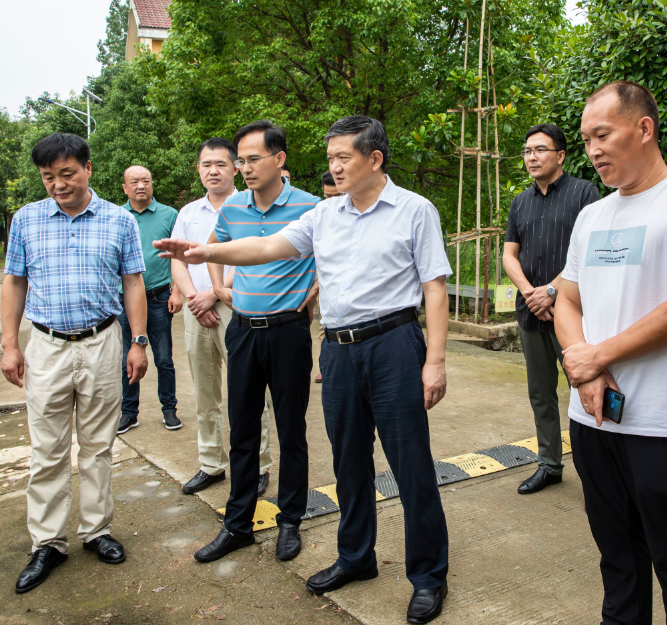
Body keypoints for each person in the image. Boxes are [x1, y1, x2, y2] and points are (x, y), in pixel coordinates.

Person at [156, 115, 452, 625]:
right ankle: (356, 557)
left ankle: (427, 575)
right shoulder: (325, 215)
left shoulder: (413, 210)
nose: (333, 166)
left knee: (411, 465)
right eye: (331, 156)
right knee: (348, 462)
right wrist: (206, 251)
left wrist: (435, 361)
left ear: (374, 159)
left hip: (394, 346)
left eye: (343, 157)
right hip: (338, 349)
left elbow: (434, 287)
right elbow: (267, 247)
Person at [556, 81, 667, 624]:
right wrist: (584, 367)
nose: (593, 149)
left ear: (644, 128)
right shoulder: (592, 215)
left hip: (659, 422)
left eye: (602, 134)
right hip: (592, 417)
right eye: (585, 140)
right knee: (618, 559)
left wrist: (594, 357)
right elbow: (567, 298)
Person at [0, 133, 149, 594]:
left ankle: (96, 531)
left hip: (102, 342)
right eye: (49, 177)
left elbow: (133, 284)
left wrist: (138, 341)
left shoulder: (119, 220)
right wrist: (11, 343)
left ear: (87, 168)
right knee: (47, 448)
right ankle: (47, 542)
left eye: (67, 174)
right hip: (45, 346)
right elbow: (13, 283)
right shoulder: (26, 220)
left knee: (97, 445)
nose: (58, 185)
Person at [173, 120, 318, 566]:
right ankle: (237, 525)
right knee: (243, 430)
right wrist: (219, 289)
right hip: (243, 330)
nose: (245, 168)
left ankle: (290, 520)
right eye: (241, 160)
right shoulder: (233, 208)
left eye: (254, 159)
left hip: (288, 332)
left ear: (280, 159)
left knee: (291, 430)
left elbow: (331, 259)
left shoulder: (311, 207)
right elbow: (216, 246)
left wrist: (311, 294)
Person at [170, 138, 273, 496]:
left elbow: (253, 256)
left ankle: (259, 465)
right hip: (195, 312)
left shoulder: (249, 208)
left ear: (235, 168)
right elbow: (177, 260)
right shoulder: (187, 213)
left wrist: (213, 293)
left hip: (237, 307)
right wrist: (192, 298)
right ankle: (211, 463)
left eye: (220, 164)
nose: (212, 171)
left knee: (248, 391)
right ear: (198, 170)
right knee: (204, 392)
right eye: (205, 165)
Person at [501, 123, 600, 495]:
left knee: (585, 384)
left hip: (572, 310)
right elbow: (510, 253)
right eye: (527, 151)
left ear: (560, 155)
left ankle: (597, 466)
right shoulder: (520, 201)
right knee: (540, 392)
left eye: (540, 150)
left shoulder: (584, 193)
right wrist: (531, 293)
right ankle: (550, 464)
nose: (531, 157)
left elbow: (588, 252)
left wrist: (552, 290)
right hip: (531, 312)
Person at [116, 165, 183, 434]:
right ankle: (129, 412)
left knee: (164, 358)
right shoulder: (117, 215)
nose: (140, 185)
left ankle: (169, 409)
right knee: (126, 359)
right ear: (125, 187)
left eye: (146, 180)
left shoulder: (169, 214)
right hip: (123, 301)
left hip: (157, 297)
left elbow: (178, 255)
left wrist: (176, 291)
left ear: (152, 184)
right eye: (134, 181)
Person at [313, 170, 344, 383]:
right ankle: (326, 366)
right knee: (326, 325)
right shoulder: (319, 214)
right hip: (325, 284)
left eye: (337, 196)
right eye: (328, 196)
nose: (332, 201)